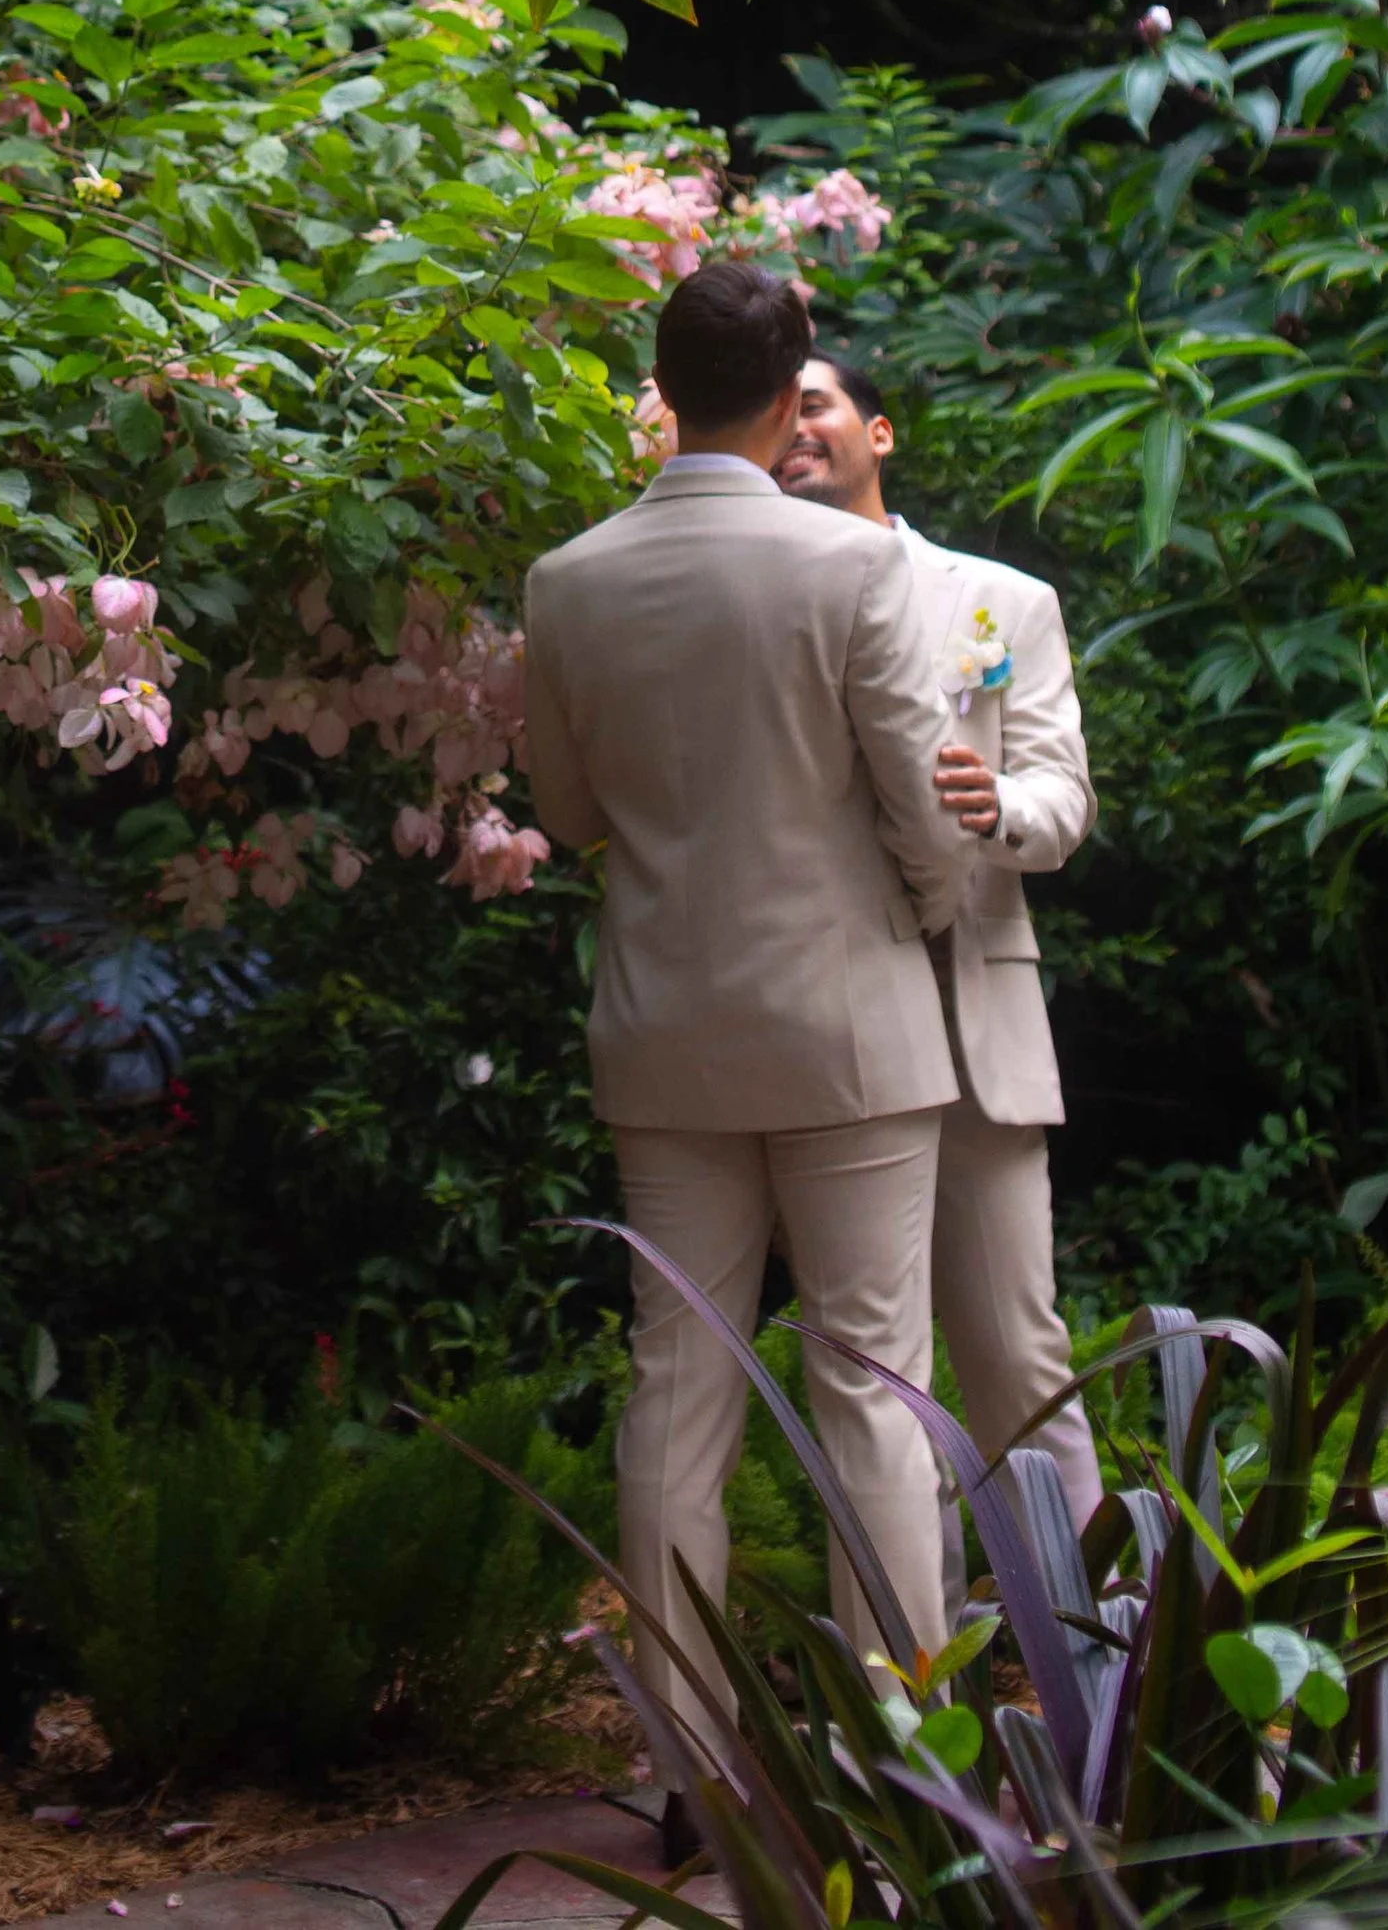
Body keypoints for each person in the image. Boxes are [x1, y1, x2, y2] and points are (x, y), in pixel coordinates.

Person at [524, 260, 973, 1820]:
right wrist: (926, 907)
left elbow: (565, 812)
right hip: (852, 1027)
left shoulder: (568, 579)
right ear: (795, 396)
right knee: (875, 1384)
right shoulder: (854, 565)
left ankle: (685, 1766)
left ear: (661, 388)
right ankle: (907, 1760)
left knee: (677, 1387)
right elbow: (925, 806)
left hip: (665, 1029)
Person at [776, 354, 1104, 1535]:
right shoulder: (752, 608)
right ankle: (919, 1626)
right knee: (869, 1364)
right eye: (777, 409)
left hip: (971, 1019)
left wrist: (994, 803)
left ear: (878, 432)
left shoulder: (1001, 602)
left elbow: (1063, 799)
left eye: (815, 403)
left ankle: (1096, 1613)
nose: (795, 426)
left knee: (1017, 1346)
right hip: (815, 1023)